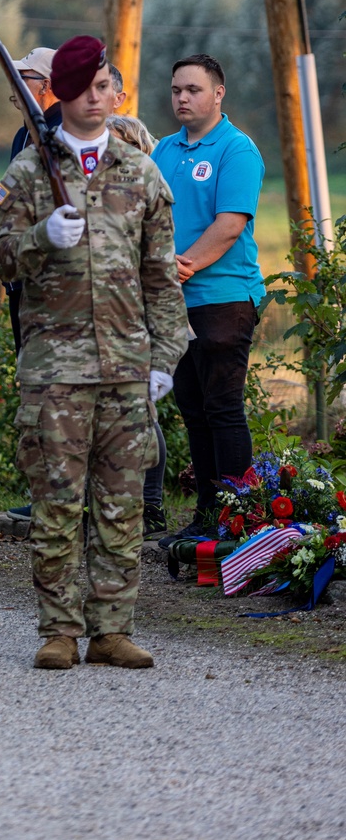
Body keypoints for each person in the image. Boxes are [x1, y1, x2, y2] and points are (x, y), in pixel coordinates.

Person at [0, 36, 187, 671]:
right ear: (61, 95)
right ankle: (58, 629)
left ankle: (111, 628)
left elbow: (160, 275)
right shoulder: (26, 173)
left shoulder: (140, 171)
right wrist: (40, 238)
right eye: (84, 89)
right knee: (56, 503)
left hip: (128, 366)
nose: (97, 99)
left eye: (105, 87)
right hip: (55, 369)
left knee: (122, 506)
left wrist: (165, 357)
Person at [150, 55, 266, 540]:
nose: (182, 98)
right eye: (177, 89)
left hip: (223, 298)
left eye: (193, 90)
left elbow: (229, 224)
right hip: (175, 301)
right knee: (194, 412)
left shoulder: (236, 150)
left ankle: (238, 524)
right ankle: (206, 517)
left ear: (218, 93)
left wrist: (181, 267)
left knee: (222, 409)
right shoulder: (163, 150)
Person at [108, 112, 169, 539]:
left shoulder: (147, 190)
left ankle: (151, 505)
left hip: (143, 315)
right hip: (109, 317)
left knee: (145, 415)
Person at [7, 48, 61, 353]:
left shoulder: (61, 132)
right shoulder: (23, 134)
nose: (14, 85)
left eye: (23, 77)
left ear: (47, 84)